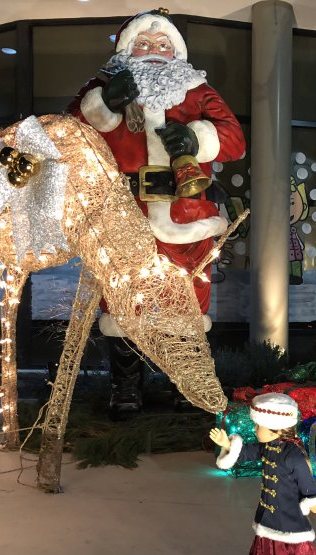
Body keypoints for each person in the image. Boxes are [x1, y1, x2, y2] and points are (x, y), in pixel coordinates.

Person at [67, 8, 245, 419]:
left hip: (186, 213)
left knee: (187, 303)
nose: (154, 51)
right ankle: (126, 389)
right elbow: (69, 133)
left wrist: (197, 136)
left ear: (176, 52)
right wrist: (103, 105)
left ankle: (188, 383)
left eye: (163, 45)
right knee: (123, 303)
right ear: (128, 49)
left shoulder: (197, 90)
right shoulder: (104, 86)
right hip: (124, 215)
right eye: (144, 44)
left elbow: (235, 140)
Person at [209, 393, 316, 555]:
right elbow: (247, 453)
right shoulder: (267, 446)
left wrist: (313, 501)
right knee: (267, 553)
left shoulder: (293, 455)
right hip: (268, 514)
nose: (256, 430)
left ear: (275, 427)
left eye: (259, 426)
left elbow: (306, 482)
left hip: (288, 515)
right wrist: (228, 444)